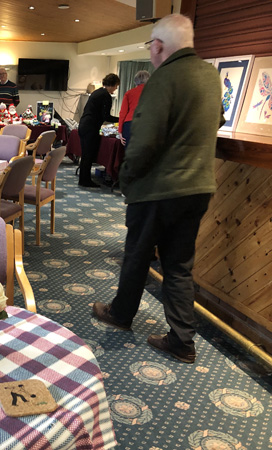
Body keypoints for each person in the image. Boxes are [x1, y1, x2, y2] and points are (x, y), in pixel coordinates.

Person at [92, 14, 226, 364]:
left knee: (137, 254)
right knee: (179, 265)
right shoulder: (210, 76)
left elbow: (143, 141)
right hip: (198, 187)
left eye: (150, 44)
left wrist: (126, 180)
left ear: (159, 46)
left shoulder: (164, 78)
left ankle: (121, 314)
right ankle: (182, 340)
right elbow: (218, 120)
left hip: (158, 189)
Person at [77, 73, 120, 187]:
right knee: (88, 154)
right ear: (113, 84)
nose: (116, 89)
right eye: (116, 86)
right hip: (90, 127)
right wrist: (120, 119)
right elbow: (106, 117)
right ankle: (85, 181)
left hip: (84, 124)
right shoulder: (105, 96)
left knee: (86, 154)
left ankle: (84, 179)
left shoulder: (97, 92)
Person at [117, 70, 150, 147]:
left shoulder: (129, 93)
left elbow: (123, 113)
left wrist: (120, 131)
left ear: (135, 81)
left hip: (129, 124)